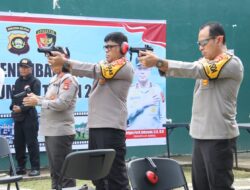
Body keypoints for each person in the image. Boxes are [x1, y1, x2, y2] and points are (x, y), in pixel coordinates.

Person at [139, 22, 244, 190]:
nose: (200, 48)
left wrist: (159, 62)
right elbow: (194, 68)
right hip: (200, 135)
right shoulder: (206, 62)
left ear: (219, 39)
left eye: (204, 43)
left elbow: (195, 69)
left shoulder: (231, 63)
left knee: (220, 186)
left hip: (219, 136)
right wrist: (159, 63)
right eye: (199, 44)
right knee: (200, 185)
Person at [47, 32, 133, 190]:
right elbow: (95, 70)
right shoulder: (106, 66)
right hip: (97, 126)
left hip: (111, 127)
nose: (106, 49)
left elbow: (95, 70)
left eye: (110, 46)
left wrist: (65, 62)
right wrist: (64, 63)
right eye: (105, 46)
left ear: (123, 48)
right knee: (98, 176)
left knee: (115, 177)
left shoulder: (124, 66)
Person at [23, 47, 79, 189]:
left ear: (63, 58)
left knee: (64, 174)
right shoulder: (55, 78)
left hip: (60, 132)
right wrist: (37, 98)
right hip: (50, 130)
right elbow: (51, 100)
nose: (50, 63)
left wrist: (39, 101)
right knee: (55, 173)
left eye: (53, 60)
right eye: (49, 60)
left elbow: (61, 104)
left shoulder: (69, 79)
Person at [10, 58, 41, 176]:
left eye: (26, 67)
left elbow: (35, 100)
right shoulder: (17, 81)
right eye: (21, 67)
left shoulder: (35, 82)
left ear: (30, 69)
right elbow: (14, 98)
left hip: (29, 117)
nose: (23, 69)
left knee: (32, 143)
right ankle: (21, 167)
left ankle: (35, 168)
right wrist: (13, 106)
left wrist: (21, 108)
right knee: (18, 143)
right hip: (18, 117)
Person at [127, 57, 165, 129]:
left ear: (150, 70)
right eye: (140, 69)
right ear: (135, 71)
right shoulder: (129, 91)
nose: (142, 72)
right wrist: (143, 104)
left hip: (154, 137)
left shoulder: (157, 90)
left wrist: (161, 137)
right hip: (134, 137)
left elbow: (162, 117)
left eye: (145, 69)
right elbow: (125, 116)